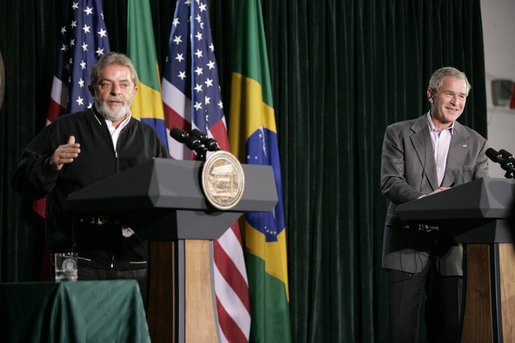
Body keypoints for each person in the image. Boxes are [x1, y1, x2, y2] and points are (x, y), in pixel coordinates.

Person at [13, 52, 169, 305]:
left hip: (134, 262)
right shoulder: (65, 129)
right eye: (106, 83)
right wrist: (50, 165)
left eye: (124, 84)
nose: (116, 91)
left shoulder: (149, 138)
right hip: (74, 260)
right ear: (93, 90)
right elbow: (21, 181)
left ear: (135, 90)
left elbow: (167, 199)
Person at [380, 67, 488, 342]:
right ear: (431, 94)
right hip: (406, 244)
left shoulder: (476, 143)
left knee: (448, 331)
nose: (456, 102)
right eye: (450, 93)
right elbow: (390, 182)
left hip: (450, 251)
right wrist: (427, 201)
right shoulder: (399, 133)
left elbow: (480, 194)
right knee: (401, 332)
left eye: (462, 96)